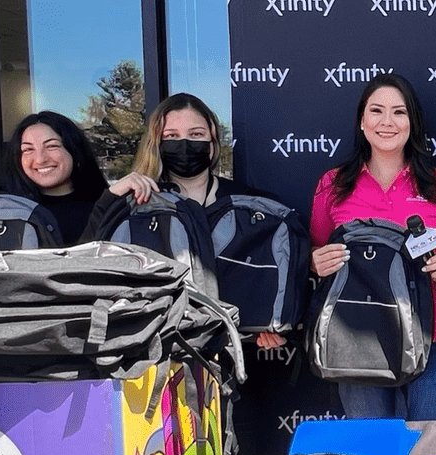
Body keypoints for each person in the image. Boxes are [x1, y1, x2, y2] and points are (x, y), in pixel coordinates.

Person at [307, 74, 436, 420]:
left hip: (431, 337)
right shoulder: (332, 185)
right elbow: (315, 251)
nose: (387, 122)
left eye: (399, 112)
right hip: (356, 338)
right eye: (377, 111)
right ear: (362, 122)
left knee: (423, 452)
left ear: (413, 123)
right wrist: (315, 262)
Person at [86, 93, 294, 350]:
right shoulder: (138, 206)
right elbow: (90, 262)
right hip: (152, 353)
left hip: (230, 363)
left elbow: (266, 280)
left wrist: (258, 327)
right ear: (157, 143)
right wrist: (113, 197)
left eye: (196, 135)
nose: (184, 144)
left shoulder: (250, 206)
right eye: (171, 136)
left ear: (213, 141)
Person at [0, 111, 110, 242]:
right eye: (28, 150)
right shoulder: (4, 212)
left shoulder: (105, 208)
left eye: (52, 146)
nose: (40, 160)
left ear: (75, 151)